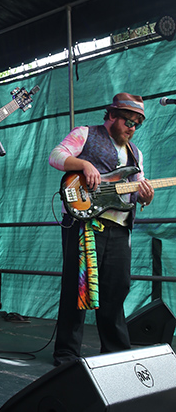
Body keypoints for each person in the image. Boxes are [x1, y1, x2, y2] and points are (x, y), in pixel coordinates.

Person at [49, 93, 155, 365]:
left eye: (137, 124)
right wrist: (84, 164)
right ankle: (67, 353)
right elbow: (56, 156)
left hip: (119, 227)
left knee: (116, 288)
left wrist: (145, 197)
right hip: (84, 223)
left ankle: (116, 353)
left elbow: (136, 189)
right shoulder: (85, 133)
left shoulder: (136, 153)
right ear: (112, 116)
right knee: (77, 286)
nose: (132, 128)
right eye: (128, 122)